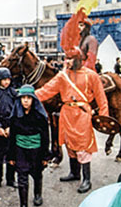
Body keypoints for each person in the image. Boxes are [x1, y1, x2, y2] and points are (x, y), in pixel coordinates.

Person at [36, 16, 108, 194]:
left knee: (83, 146)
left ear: (78, 59)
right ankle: (74, 173)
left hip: (83, 113)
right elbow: (46, 90)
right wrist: (27, 95)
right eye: (66, 58)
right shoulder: (62, 75)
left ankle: (87, 179)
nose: (66, 62)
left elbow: (101, 98)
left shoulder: (91, 75)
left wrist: (104, 117)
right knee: (69, 144)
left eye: (69, 59)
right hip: (67, 113)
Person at [7, 85, 49, 207]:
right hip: (20, 150)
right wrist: (11, 156)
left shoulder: (39, 116)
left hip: (36, 150)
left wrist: (45, 156)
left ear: (33, 100)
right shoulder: (15, 116)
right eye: (23, 98)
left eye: (28, 98)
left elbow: (45, 136)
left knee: (37, 173)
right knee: (22, 178)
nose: (25, 101)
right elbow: (12, 136)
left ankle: (37, 194)